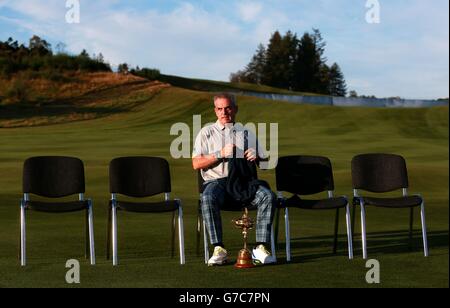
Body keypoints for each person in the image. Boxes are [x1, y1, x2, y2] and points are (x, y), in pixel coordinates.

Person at [192, 93, 276, 266]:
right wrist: (219, 154)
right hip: (217, 184)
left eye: (228, 108)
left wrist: (258, 157)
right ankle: (218, 249)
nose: (224, 112)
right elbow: (196, 163)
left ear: (235, 109)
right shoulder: (206, 133)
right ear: (215, 111)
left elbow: (266, 164)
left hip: (244, 183)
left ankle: (260, 248)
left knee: (268, 196)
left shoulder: (247, 133)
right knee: (207, 198)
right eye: (220, 109)